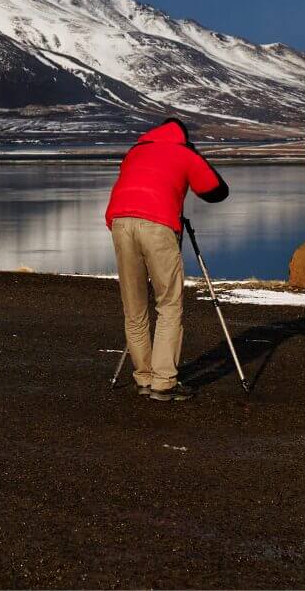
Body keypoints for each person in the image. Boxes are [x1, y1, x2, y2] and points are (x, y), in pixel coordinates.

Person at [104, 117, 228, 401]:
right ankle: (163, 383)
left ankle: (143, 378)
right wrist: (194, 156)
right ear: (182, 137)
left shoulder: (135, 151)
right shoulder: (184, 153)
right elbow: (216, 191)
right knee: (168, 305)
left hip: (121, 223)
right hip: (158, 226)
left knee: (134, 309)